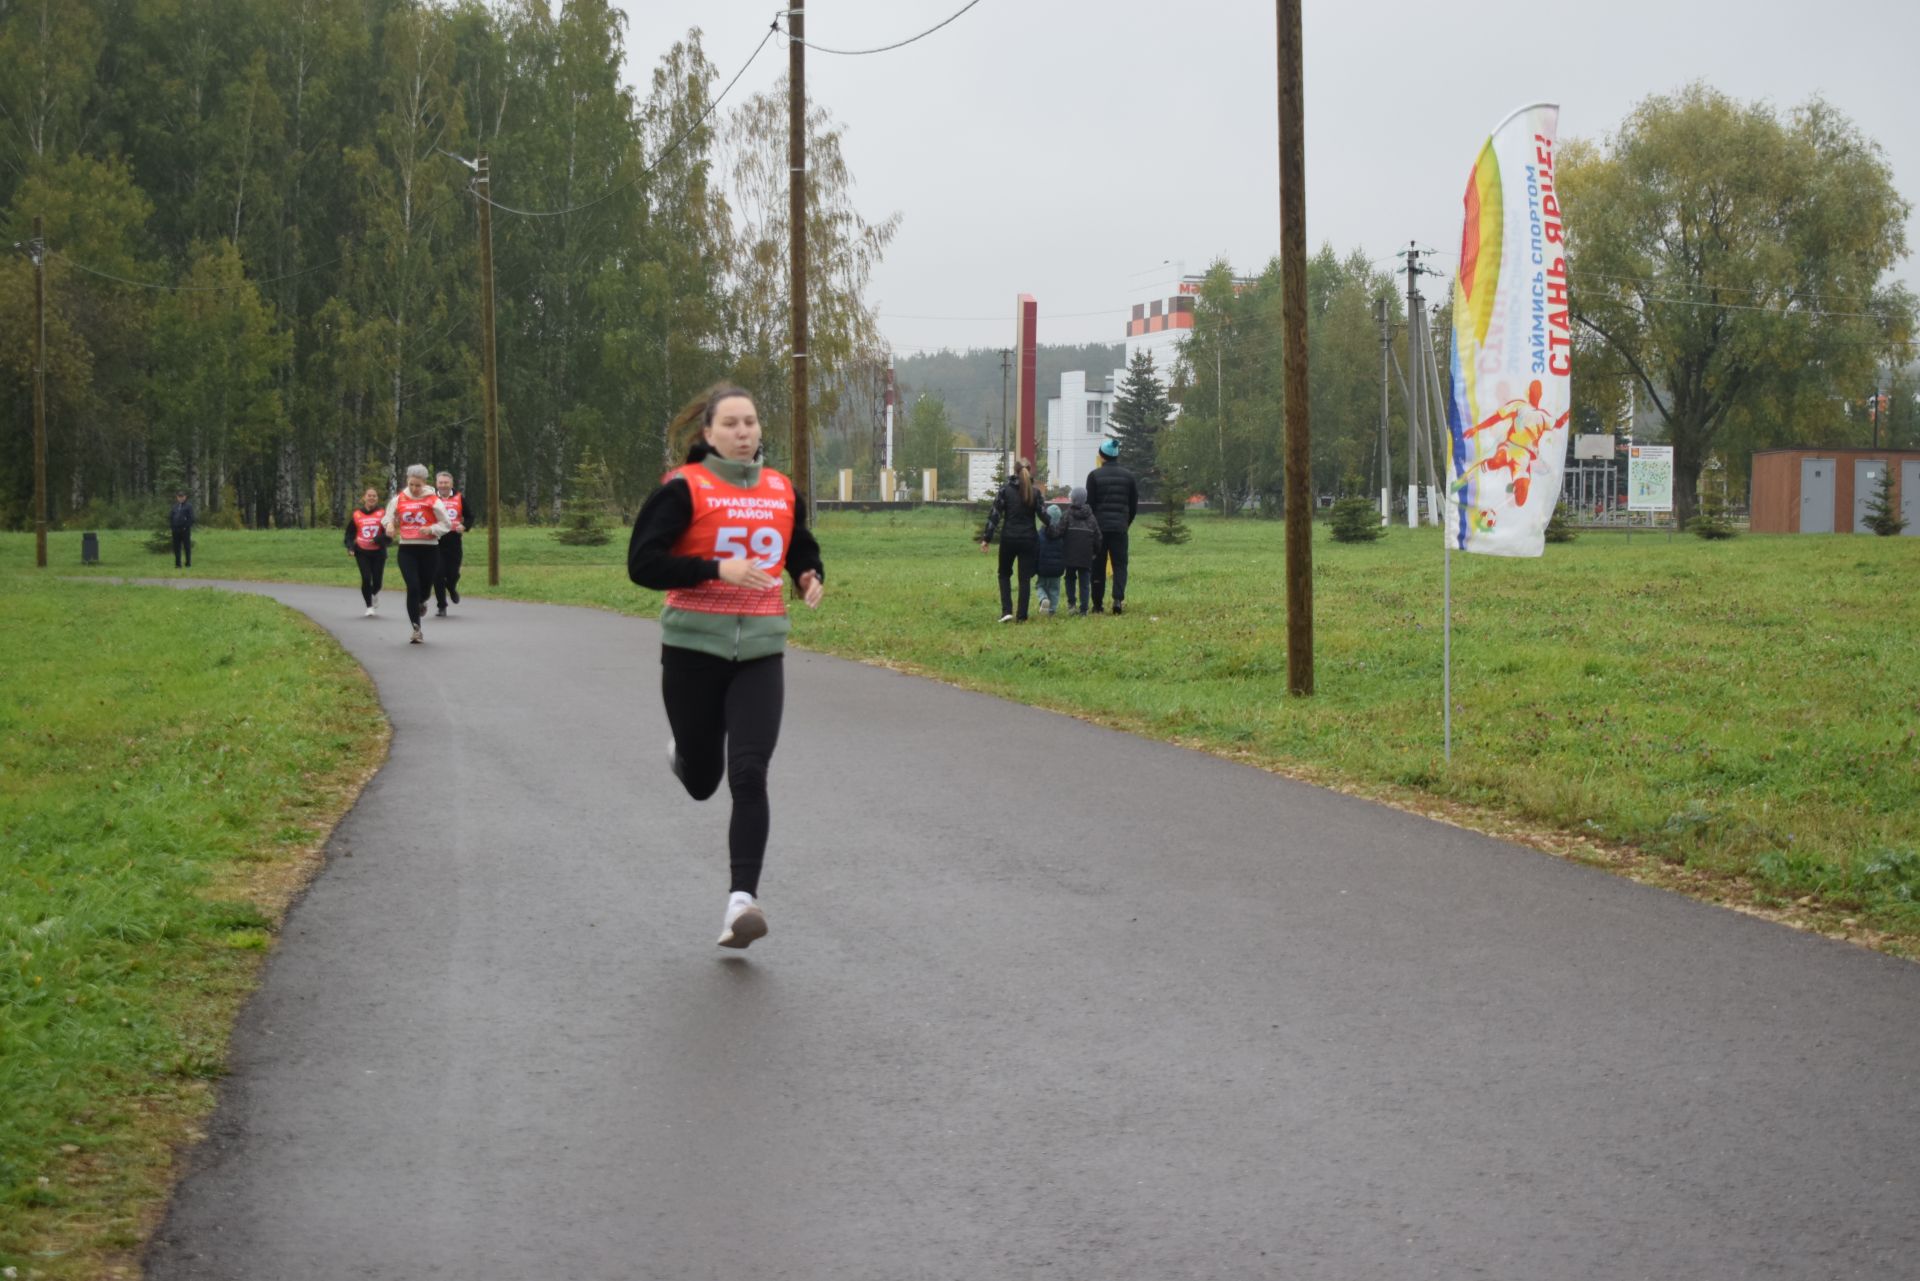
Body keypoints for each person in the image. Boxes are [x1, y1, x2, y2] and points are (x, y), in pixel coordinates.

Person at [627, 384, 825, 949]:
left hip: (761, 650)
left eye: (751, 423)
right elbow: (643, 564)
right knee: (704, 781)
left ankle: (742, 903)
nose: (743, 432)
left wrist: (808, 575)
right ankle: (685, 756)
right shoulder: (682, 489)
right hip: (693, 650)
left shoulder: (782, 490)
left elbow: (799, 546)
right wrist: (717, 568)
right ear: (708, 434)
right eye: (731, 424)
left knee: (749, 773)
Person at [382, 465, 451, 645]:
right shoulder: (399, 499)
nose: (414, 488)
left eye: (417, 485)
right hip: (407, 549)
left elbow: (447, 524)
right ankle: (416, 629)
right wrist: (389, 525)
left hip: (429, 549)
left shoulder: (433, 500)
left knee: (425, 589)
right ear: (407, 481)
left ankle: (422, 601)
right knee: (412, 587)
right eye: (411, 484)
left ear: (424, 483)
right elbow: (387, 516)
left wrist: (431, 528)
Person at [980, 457, 1044, 623]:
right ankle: (1022, 616)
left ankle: (1006, 611)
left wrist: (986, 538)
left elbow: (995, 515)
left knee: (1004, 574)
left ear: (1015, 471)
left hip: (1009, 538)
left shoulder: (1005, 490)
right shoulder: (1035, 492)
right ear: (1030, 470)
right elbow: (1043, 515)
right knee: (1024, 579)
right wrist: (1057, 529)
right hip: (1029, 539)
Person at [1085, 438, 1139, 614]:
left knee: (1098, 566)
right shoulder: (1129, 476)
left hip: (1099, 529)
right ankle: (1117, 599)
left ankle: (1097, 605)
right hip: (1119, 528)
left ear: (1101, 455)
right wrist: (1125, 522)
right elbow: (1133, 505)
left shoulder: (1094, 476)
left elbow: (1089, 505)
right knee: (1120, 565)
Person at [344, 486, 390, 617]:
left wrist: (378, 539)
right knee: (365, 578)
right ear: (364, 498)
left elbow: (389, 534)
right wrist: (350, 547)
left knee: (377, 582)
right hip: (362, 551)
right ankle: (369, 606)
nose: (371, 498)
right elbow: (349, 534)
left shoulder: (382, 513)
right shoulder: (357, 515)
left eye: (374, 496)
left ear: (377, 499)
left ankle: (374, 593)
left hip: (378, 552)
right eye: (369, 495)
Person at [431, 471, 470, 616]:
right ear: (436, 484)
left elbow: (470, 516)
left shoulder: (459, 497)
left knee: (453, 573)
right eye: (440, 483)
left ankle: (451, 587)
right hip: (436, 540)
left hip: (454, 540)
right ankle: (442, 606)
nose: (443, 485)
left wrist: (464, 526)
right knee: (438, 573)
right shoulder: (431, 498)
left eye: (446, 483)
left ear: (451, 484)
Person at [1062, 486, 1102, 617]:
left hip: (1070, 554)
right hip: (1086, 556)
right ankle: (1084, 609)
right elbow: (1098, 537)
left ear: (1072, 499)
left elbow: (1059, 531)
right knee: (1085, 582)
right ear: (1085, 499)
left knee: (1069, 578)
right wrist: (1095, 552)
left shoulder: (1068, 515)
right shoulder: (1091, 517)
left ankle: (1071, 604)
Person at [1034, 503, 1066, 617]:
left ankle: (1043, 599)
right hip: (1057, 570)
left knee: (1040, 585)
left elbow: (1036, 551)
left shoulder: (1040, 534)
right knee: (1055, 590)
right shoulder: (1062, 535)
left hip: (1043, 568)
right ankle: (1052, 610)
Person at [168, 491, 195, 569]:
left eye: (182, 496)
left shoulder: (188, 506)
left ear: (185, 497)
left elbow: (191, 518)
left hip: (185, 530)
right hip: (175, 530)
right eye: (179, 497)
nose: (180, 498)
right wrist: (172, 527)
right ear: (177, 497)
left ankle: (188, 563)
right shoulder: (175, 506)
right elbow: (171, 517)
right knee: (176, 547)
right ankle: (178, 564)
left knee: (186, 547)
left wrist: (186, 527)